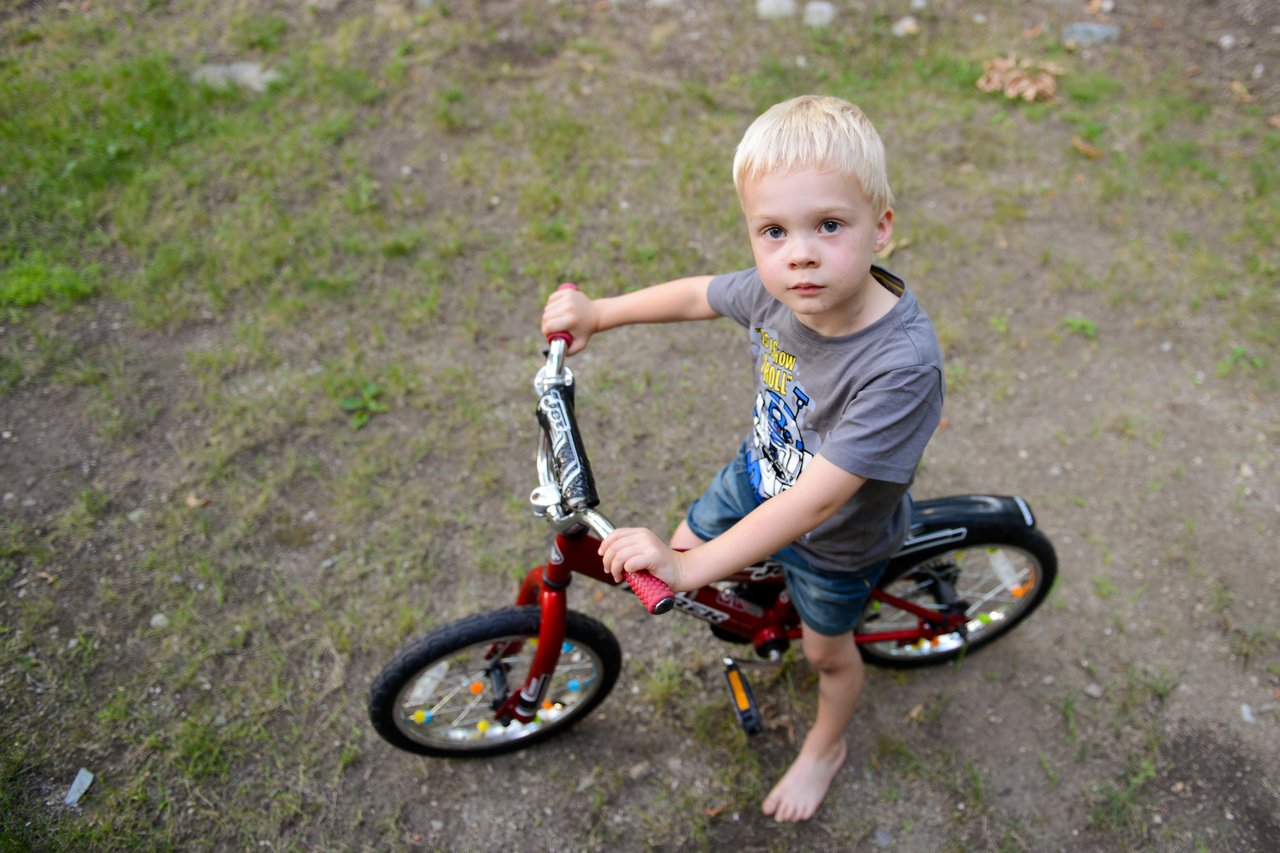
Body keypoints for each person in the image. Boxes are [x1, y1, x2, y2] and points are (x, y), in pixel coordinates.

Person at [540, 95, 944, 822]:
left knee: (823, 652)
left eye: (829, 224)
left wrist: (691, 567)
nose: (799, 252)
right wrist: (601, 312)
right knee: (695, 561)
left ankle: (825, 744)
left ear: (881, 226)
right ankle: (747, 591)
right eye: (773, 230)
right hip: (758, 468)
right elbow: (700, 294)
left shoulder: (899, 366)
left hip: (833, 536)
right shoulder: (781, 288)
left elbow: (817, 501)